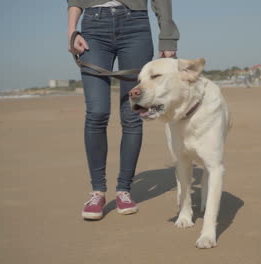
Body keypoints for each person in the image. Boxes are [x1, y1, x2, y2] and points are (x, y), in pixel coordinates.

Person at [67, 0, 179, 220]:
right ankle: (97, 191)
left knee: (132, 113)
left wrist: (168, 36)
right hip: (93, 25)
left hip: (135, 24)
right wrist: (72, 30)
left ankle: (124, 190)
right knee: (97, 112)